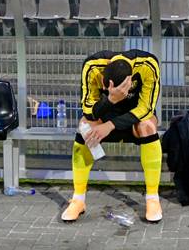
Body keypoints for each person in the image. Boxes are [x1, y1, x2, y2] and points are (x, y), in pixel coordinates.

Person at [61, 49, 162, 223]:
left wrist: (111, 126)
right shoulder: (92, 66)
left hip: (134, 118)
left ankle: (153, 198)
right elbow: (88, 111)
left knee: (148, 126)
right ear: (103, 80)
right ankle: (78, 199)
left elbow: (146, 109)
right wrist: (111, 99)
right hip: (104, 115)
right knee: (84, 126)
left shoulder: (148, 64)